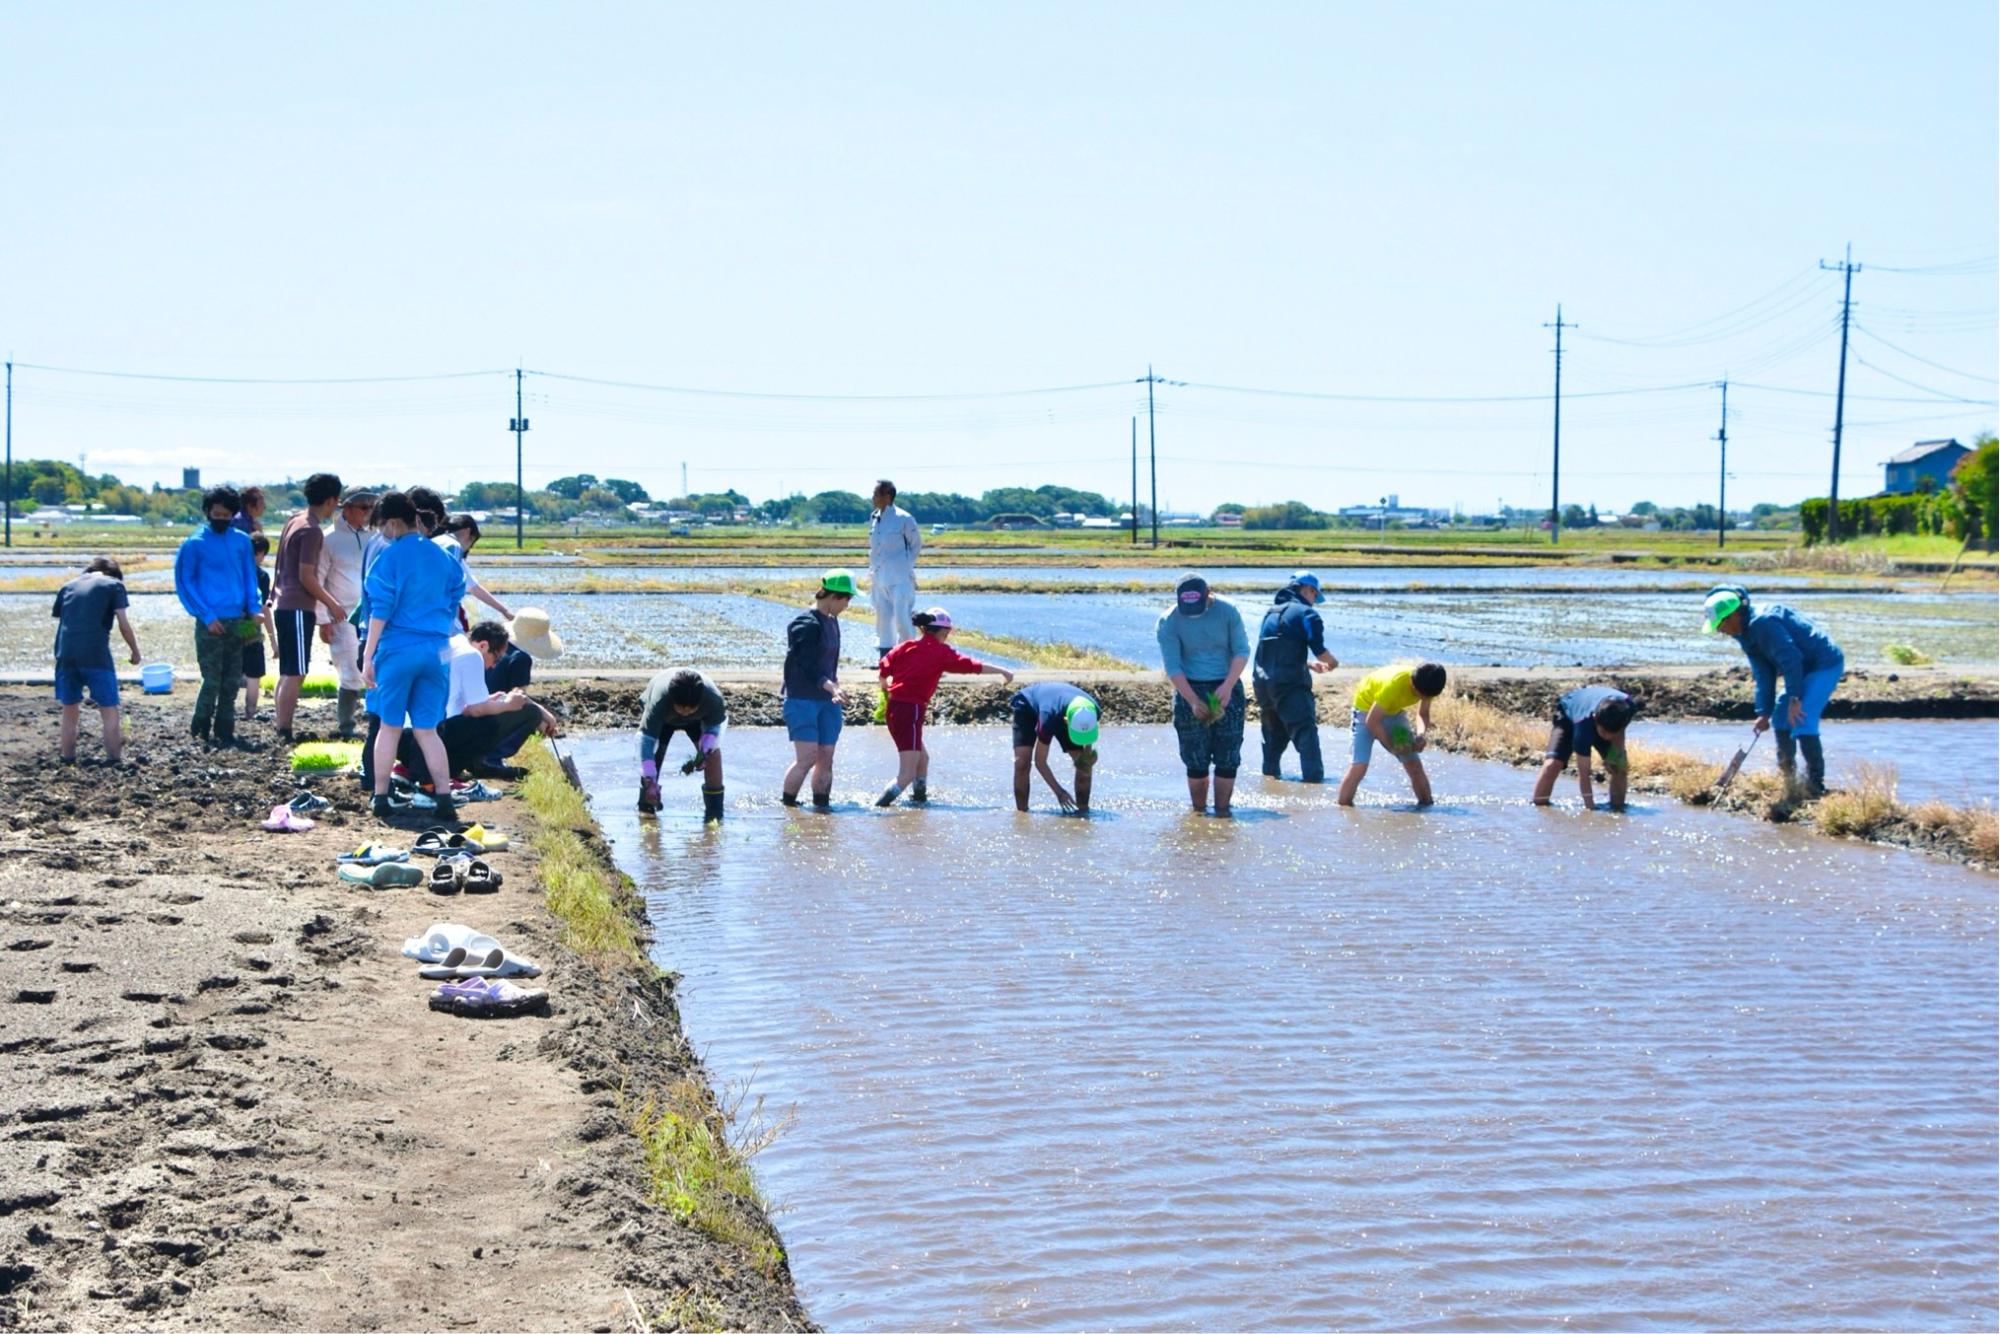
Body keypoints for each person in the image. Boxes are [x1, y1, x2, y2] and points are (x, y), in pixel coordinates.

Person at [361, 490, 466, 823]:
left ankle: (380, 797)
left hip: (397, 650)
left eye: (381, 526)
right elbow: (455, 597)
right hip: (436, 651)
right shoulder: (442, 556)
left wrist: (368, 654)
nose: (381, 533)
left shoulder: (388, 558)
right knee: (427, 729)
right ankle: (444, 798)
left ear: (393, 522)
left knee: (389, 728)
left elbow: (381, 609)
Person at [1704, 585, 1845, 796]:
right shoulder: (1743, 633)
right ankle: (1789, 781)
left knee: (1802, 717)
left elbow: (1791, 659)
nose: (1719, 630)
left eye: (1720, 624)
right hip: (1800, 668)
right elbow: (1763, 672)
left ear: (1734, 615)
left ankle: (1815, 787)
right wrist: (1764, 712)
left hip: (1823, 663)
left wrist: (1795, 698)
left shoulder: (1763, 623)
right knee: (1780, 716)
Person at [875, 607, 1014, 807]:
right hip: (911, 710)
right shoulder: (940, 652)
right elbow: (971, 666)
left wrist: (885, 686)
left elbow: (884, 668)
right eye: (947, 634)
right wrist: (1003, 671)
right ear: (943, 632)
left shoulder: (906, 647)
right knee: (906, 774)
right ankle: (878, 809)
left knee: (923, 760)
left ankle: (919, 802)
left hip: (896, 708)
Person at [174, 485, 263, 748]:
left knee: (234, 679)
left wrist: (254, 607)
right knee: (212, 679)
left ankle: (225, 730)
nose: (221, 519)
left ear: (233, 514)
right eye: (216, 514)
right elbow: (185, 583)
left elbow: (249, 576)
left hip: (240, 620)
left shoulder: (241, 541)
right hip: (210, 622)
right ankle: (200, 727)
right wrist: (206, 615)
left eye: (226, 515)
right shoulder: (193, 544)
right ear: (207, 512)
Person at [1157, 573, 1251, 817]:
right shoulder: (1169, 620)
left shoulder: (1228, 611)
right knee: (1195, 758)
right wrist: (1192, 700)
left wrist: (1228, 686)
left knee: (1228, 755)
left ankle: (1222, 813)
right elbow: (1173, 666)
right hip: (1189, 686)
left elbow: (1241, 651)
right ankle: (1199, 814)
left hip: (1226, 683)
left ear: (1209, 593)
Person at [270, 472, 346, 740]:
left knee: (289, 669)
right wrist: (332, 603)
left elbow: (280, 565)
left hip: (283, 603)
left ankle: (281, 725)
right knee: (296, 671)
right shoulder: (311, 530)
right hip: (297, 606)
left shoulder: (295, 520)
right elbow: (306, 576)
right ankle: (285, 729)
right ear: (331, 500)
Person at [433, 621, 558, 782]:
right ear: (483, 646)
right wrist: (508, 705)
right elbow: (476, 709)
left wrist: (493, 701)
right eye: (496, 658)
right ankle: (488, 761)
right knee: (529, 713)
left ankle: (466, 763)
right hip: (443, 736)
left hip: (425, 732)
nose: (493, 666)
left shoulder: (455, 642)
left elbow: (461, 704)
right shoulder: (473, 655)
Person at [51, 557, 141, 765]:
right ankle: (114, 759)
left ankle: (67, 758)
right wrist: (135, 651)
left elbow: (64, 621)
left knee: (69, 709)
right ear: (114, 574)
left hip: (65, 654)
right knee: (109, 708)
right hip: (96, 654)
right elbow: (123, 624)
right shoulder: (114, 585)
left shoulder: (67, 586)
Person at [1253, 571, 1338, 782]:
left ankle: (1270, 780)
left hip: (1263, 685)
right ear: (1307, 590)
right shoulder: (1307, 614)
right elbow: (1319, 649)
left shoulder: (1271, 613)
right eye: (1314, 596)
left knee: (1273, 737)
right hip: (1290, 686)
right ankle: (1314, 785)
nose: (1314, 602)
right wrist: (1332, 663)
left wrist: (1308, 665)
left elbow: (1272, 651)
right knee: (1305, 734)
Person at [780, 570, 854, 808]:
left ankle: (822, 809)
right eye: (847, 600)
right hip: (802, 700)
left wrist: (836, 689)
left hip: (827, 701)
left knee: (826, 758)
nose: (847, 605)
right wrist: (831, 686)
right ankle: (788, 807)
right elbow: (808, 665)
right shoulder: (804, 624)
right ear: (833, 596)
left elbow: (827, 664)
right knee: (808, 757)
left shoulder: (832, 622)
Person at [1338, 662, 1447, 807]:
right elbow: (1371, 721)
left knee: (1413, 764)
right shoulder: (1394, 685)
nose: (1423, 698)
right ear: (1413, 684)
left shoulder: (1429, 683)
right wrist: (1391, 747)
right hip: (1366, 710)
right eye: (1420, 695)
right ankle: (1344, 807)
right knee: (1359, 765)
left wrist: (1421, 735)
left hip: (1393, 712)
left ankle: (1427, 806)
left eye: (1427, 697)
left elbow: (1423, 714)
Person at [317, 486, 376, 738]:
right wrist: (323, 619)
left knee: (374, 668)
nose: (368, 512)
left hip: (373, 614)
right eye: (363, 507)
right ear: (347, 508)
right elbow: (317, 580)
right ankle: (347, 726)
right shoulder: (328, 539)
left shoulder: (376, 537)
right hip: (341, 615)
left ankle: (374, 723)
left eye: (372, 507)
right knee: (350, 670)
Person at [637, 668, 729, 823]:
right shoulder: (659, 702)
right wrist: (650, 778)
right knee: (654, 758)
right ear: (673, 701)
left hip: (698, 719)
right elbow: (645, 741)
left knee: (712, 755)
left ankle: (715, 811)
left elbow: (716, 727)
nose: (685, 712)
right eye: (681, 708)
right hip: (664, 719)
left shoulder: (713, 699)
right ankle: (647, 807)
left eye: (690, 708)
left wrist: (705, 750)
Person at [1532, 686, 1637, 811]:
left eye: (1612, 734)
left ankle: (1618, 809)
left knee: (1618, 766)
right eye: (1604, 733)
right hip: (1569, 715)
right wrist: (1590, 808)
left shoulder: (1628, 707)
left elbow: (1620, 733)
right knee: (1553, 764)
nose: (1608, 738)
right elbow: (1584, 773)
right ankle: (1539, 805)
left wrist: (1615, 755)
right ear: (1596, 721)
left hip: (1605, 720)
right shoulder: (1583, 727)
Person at [1011, 681, 1099, 814]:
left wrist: (1086, 759)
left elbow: (1088, 740)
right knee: (1022, 763)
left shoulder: (1093, 710)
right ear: (1066, 722)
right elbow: (1040, 762)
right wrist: (1059, 792)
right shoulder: (1048, 717)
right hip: (1028, 707)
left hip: (1064, 710)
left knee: (1084, 766)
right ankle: (1022, 814)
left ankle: (1083, 812)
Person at [867, 479, 922, 665]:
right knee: (883, 620)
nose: (873, 498)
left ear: (887, 496)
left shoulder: (904, 518)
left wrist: (905, 566)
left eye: (876, 494)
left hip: (900, 578)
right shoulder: (874, 517)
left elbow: (916, 545)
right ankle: (886, 659)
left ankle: (909, 657)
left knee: (902, 619)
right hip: (880, 577)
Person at [435, 514, 513, 623]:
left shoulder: (435, 541)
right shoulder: (454, 547)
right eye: (471, 543)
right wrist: (505, 611)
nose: (468, 548)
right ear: (468, 532)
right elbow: (473, 588)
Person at [241, 533, 277, 724]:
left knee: (229, 672)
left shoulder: (234, 571)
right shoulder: (261, 576)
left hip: (230, 624)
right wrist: (273, 641)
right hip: (251, 627)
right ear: (261, 553)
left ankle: (226, 711)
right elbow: (264, 609)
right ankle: (250, 712)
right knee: (254, 674)